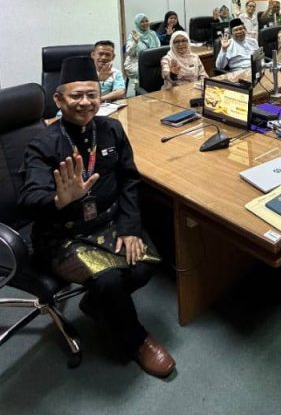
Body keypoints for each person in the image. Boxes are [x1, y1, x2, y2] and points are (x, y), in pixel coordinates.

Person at [18, 56, 175, 377]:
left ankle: (96, 303)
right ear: (58, 100)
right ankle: (137, 340)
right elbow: (28, 200)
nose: (85, 102)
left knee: (145, 265)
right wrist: (59, 200)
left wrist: (130, 228)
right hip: (63, 234)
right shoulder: (43, 144)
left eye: (92, 94)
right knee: (109, 280)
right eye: (76, 96)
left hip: (109, 222)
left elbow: (129, 180)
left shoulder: (111, 129)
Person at [123, 14, 161, 89]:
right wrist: (135, 42)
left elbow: (158, 48)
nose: (145, 23)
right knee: (146, 74)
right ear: (137, 23)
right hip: (137, 62)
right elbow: (130, 53)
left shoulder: (152, 34)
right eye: (142, 22)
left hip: (153, 61)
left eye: (146, 21)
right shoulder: (133, 35)